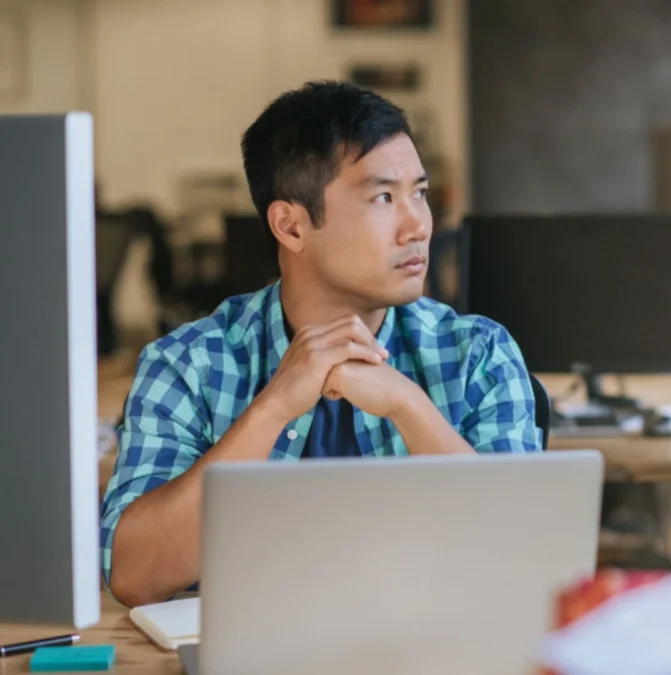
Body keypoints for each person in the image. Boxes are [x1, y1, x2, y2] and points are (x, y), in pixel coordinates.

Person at [101, 81, 542, 608]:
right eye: (384, 197)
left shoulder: (479, 353)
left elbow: (525, 560)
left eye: (419, 194)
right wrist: (273, 407)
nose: (418, 226)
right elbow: (134, 575)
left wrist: (408, 405)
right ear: (290, 226)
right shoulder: (185, 364)